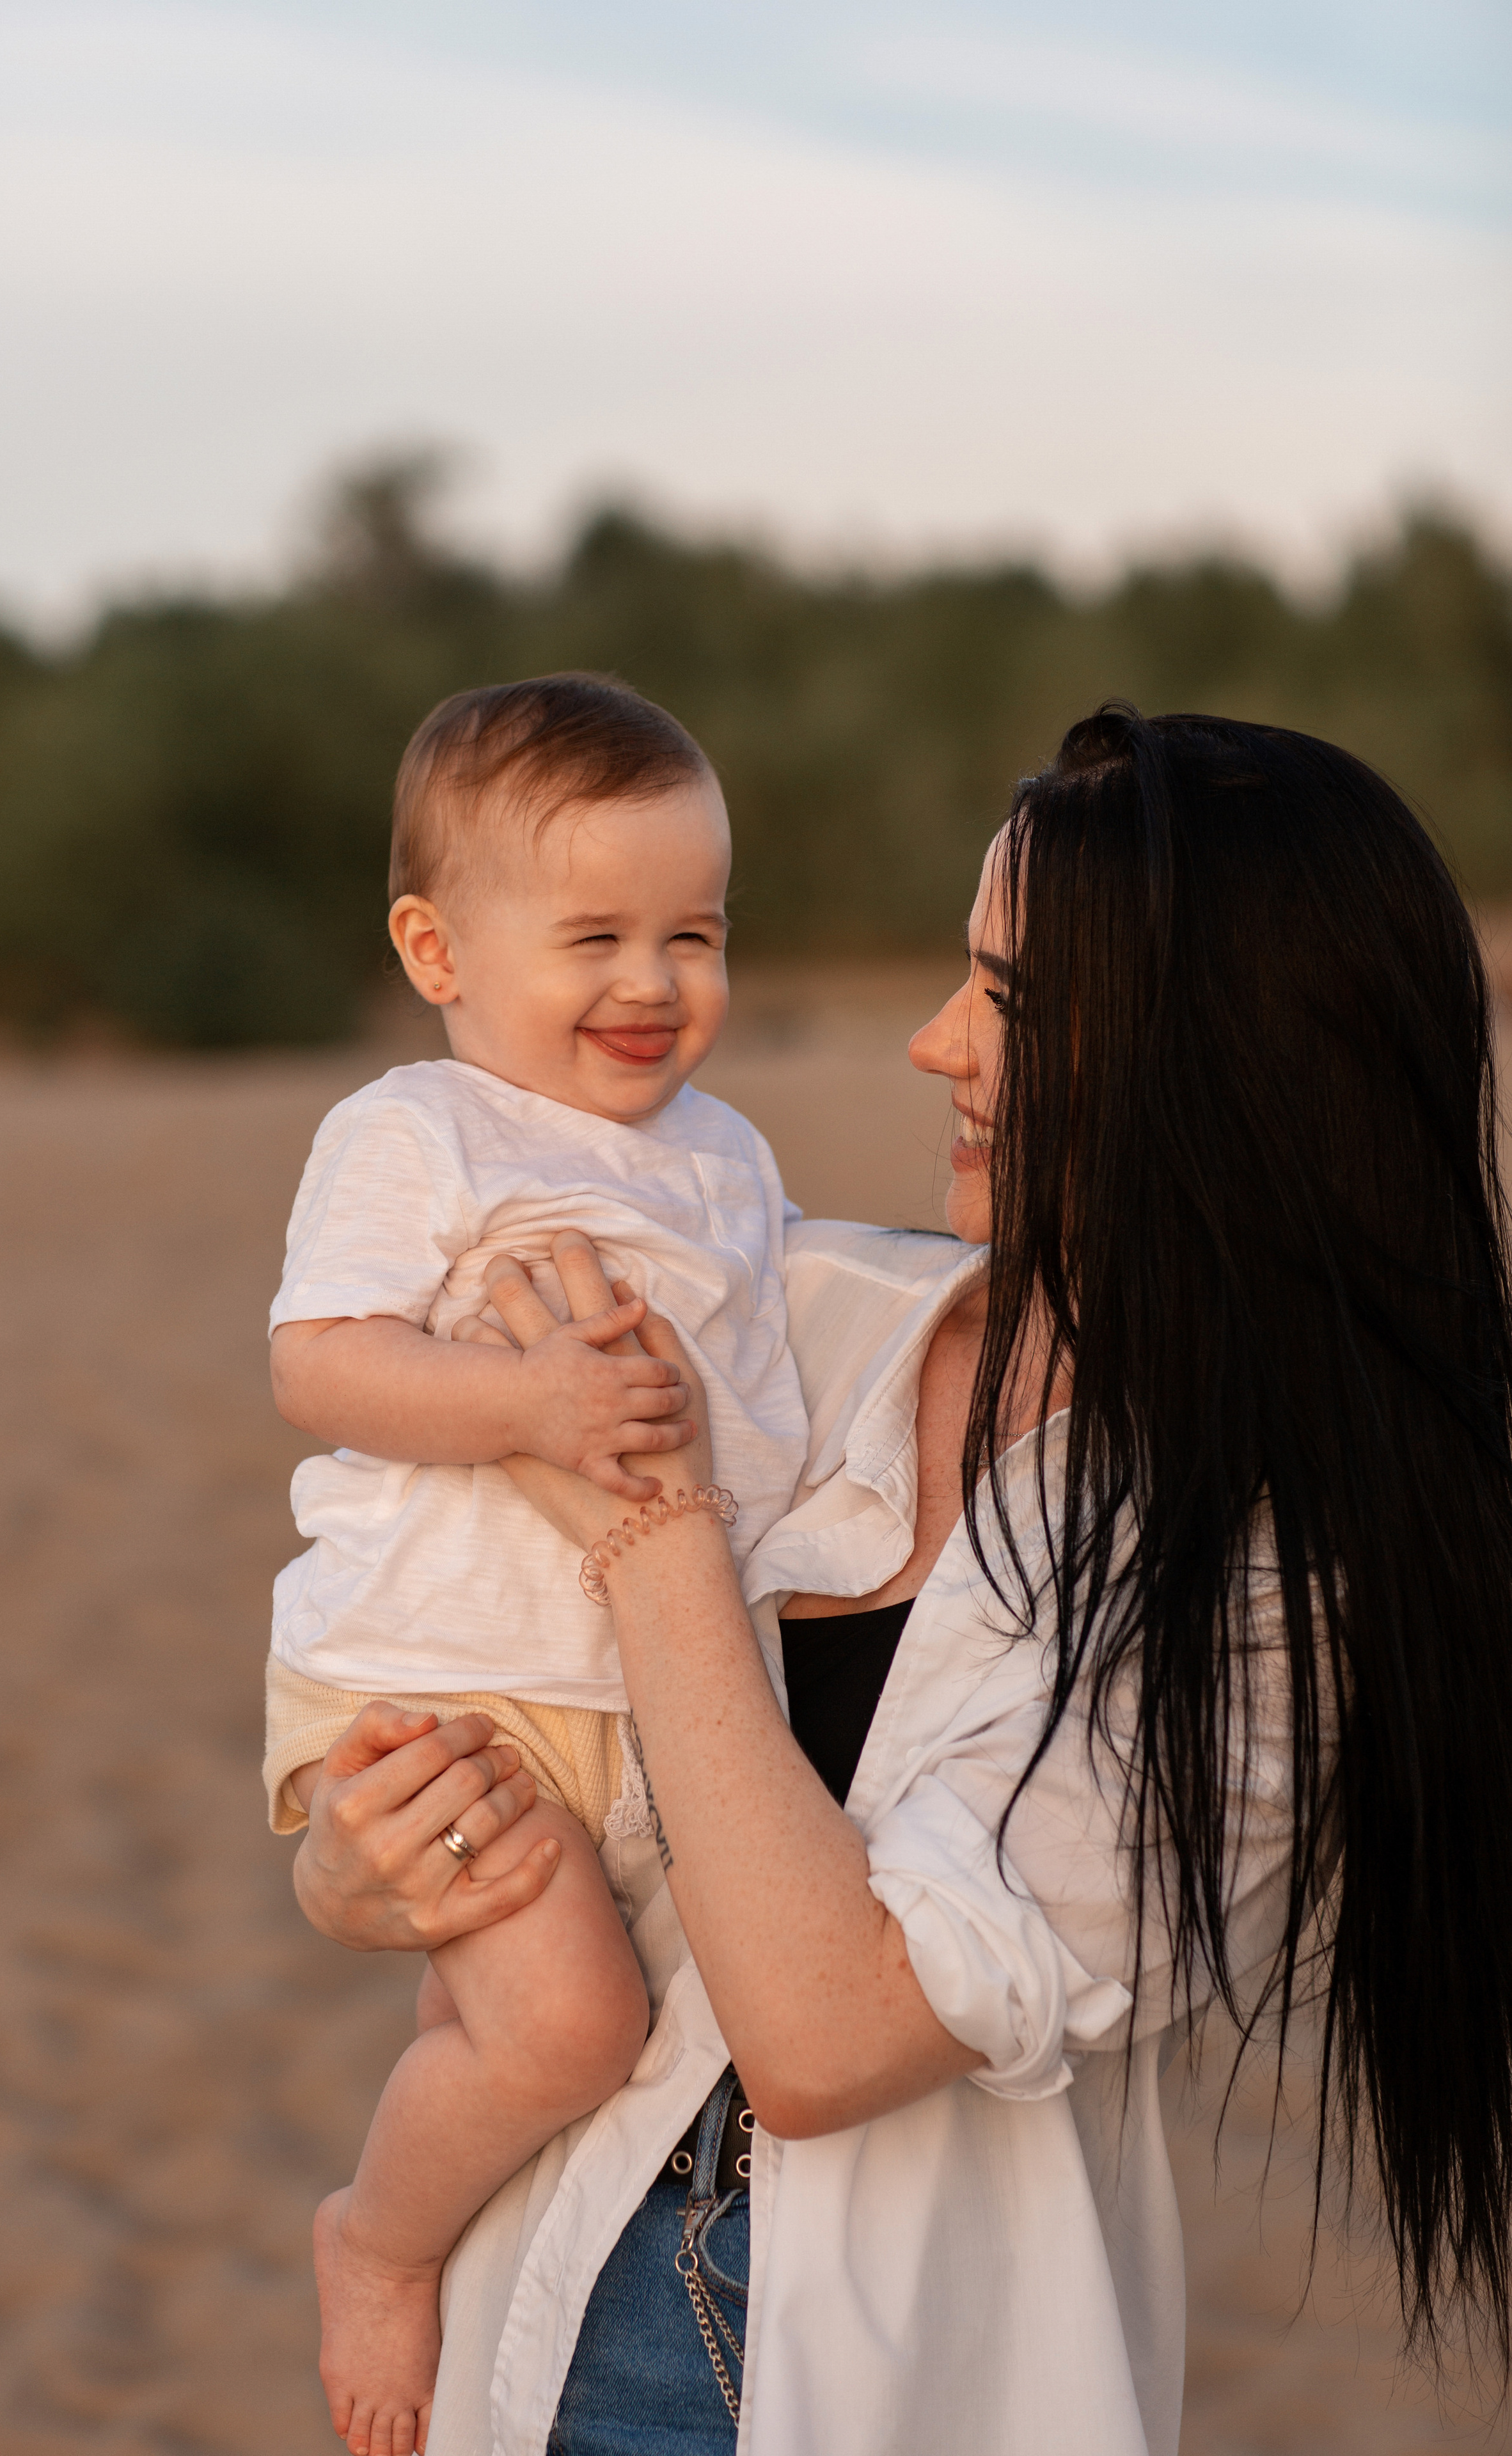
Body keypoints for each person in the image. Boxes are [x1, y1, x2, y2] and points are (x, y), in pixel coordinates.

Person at [292, 707, 1512, 2456]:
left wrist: (657, 1534)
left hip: (885, 2390)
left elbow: (829, 2037)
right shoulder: (797, 1312)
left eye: (1008, 1003)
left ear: (1220, 1063)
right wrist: (377, 1866)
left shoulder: (1285, 1594)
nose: (935, 1045)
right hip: (528, 2306)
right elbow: (438, 1576)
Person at [265, 673, 810, 2456]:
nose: (652, 985)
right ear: (439, 948)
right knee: (571, 2029)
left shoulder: (727, 1157)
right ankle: (377, 2239)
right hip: (436, 1678)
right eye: (593, 936)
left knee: (517, 2006)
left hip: (628, 1691)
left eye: (693, 934)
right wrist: (523, 1400)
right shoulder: (419, 1131)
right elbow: (321, 1358)